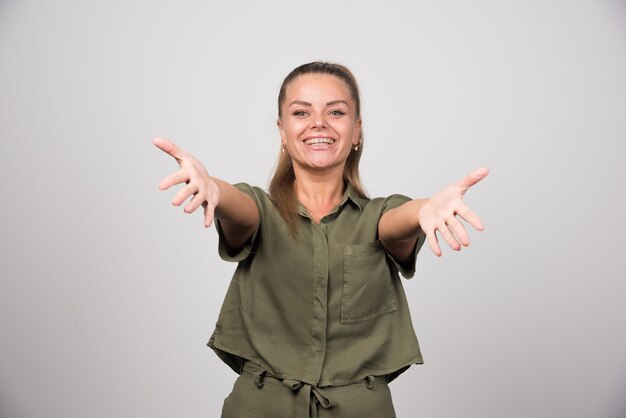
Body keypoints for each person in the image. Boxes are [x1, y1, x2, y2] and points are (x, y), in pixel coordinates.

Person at [154, 62, 488, 418]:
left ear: (357, 131)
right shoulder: (260, 210)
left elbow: (398, 222)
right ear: (282, 131)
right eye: (301, 112)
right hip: (260, 405)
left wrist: (424, 210)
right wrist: (213, 189)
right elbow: (238, 206)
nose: (319, 123)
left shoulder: (379, 216)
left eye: (336, 112)